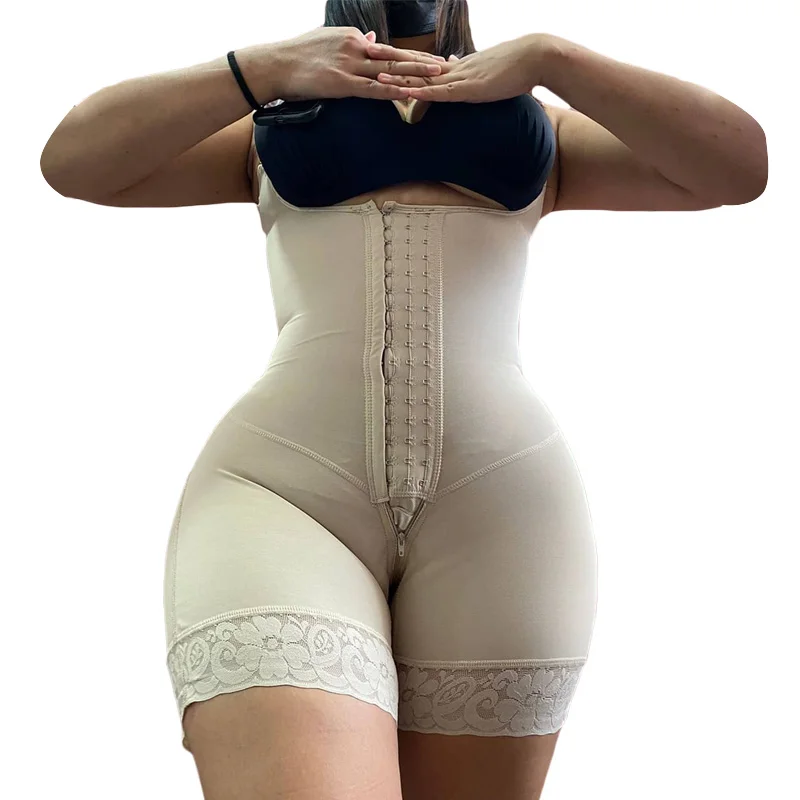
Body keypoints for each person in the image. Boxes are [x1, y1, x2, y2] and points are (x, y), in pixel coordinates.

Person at [39, 1, 767, 798]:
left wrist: (551, 57)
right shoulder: (261, 130)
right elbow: (74, 162)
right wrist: (264, 69)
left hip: (503, 510)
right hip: (283, 496)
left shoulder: (552, 134)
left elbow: (738, 167)